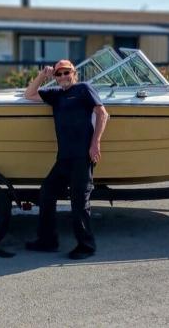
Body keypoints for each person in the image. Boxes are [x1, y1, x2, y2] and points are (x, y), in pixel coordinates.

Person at [24, 59, 109, 260]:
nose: (62, 77)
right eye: (59, 74)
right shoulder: (56, 95)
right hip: (64, 158)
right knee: (46, 193)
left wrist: (95, 143)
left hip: (82, 156)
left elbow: (102, 113)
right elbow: (29, 94)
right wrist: (43, 75)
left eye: (66, 73)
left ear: (74, 73)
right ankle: (47, 241)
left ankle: (86, 246)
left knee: (79, 202)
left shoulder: (83, 89)